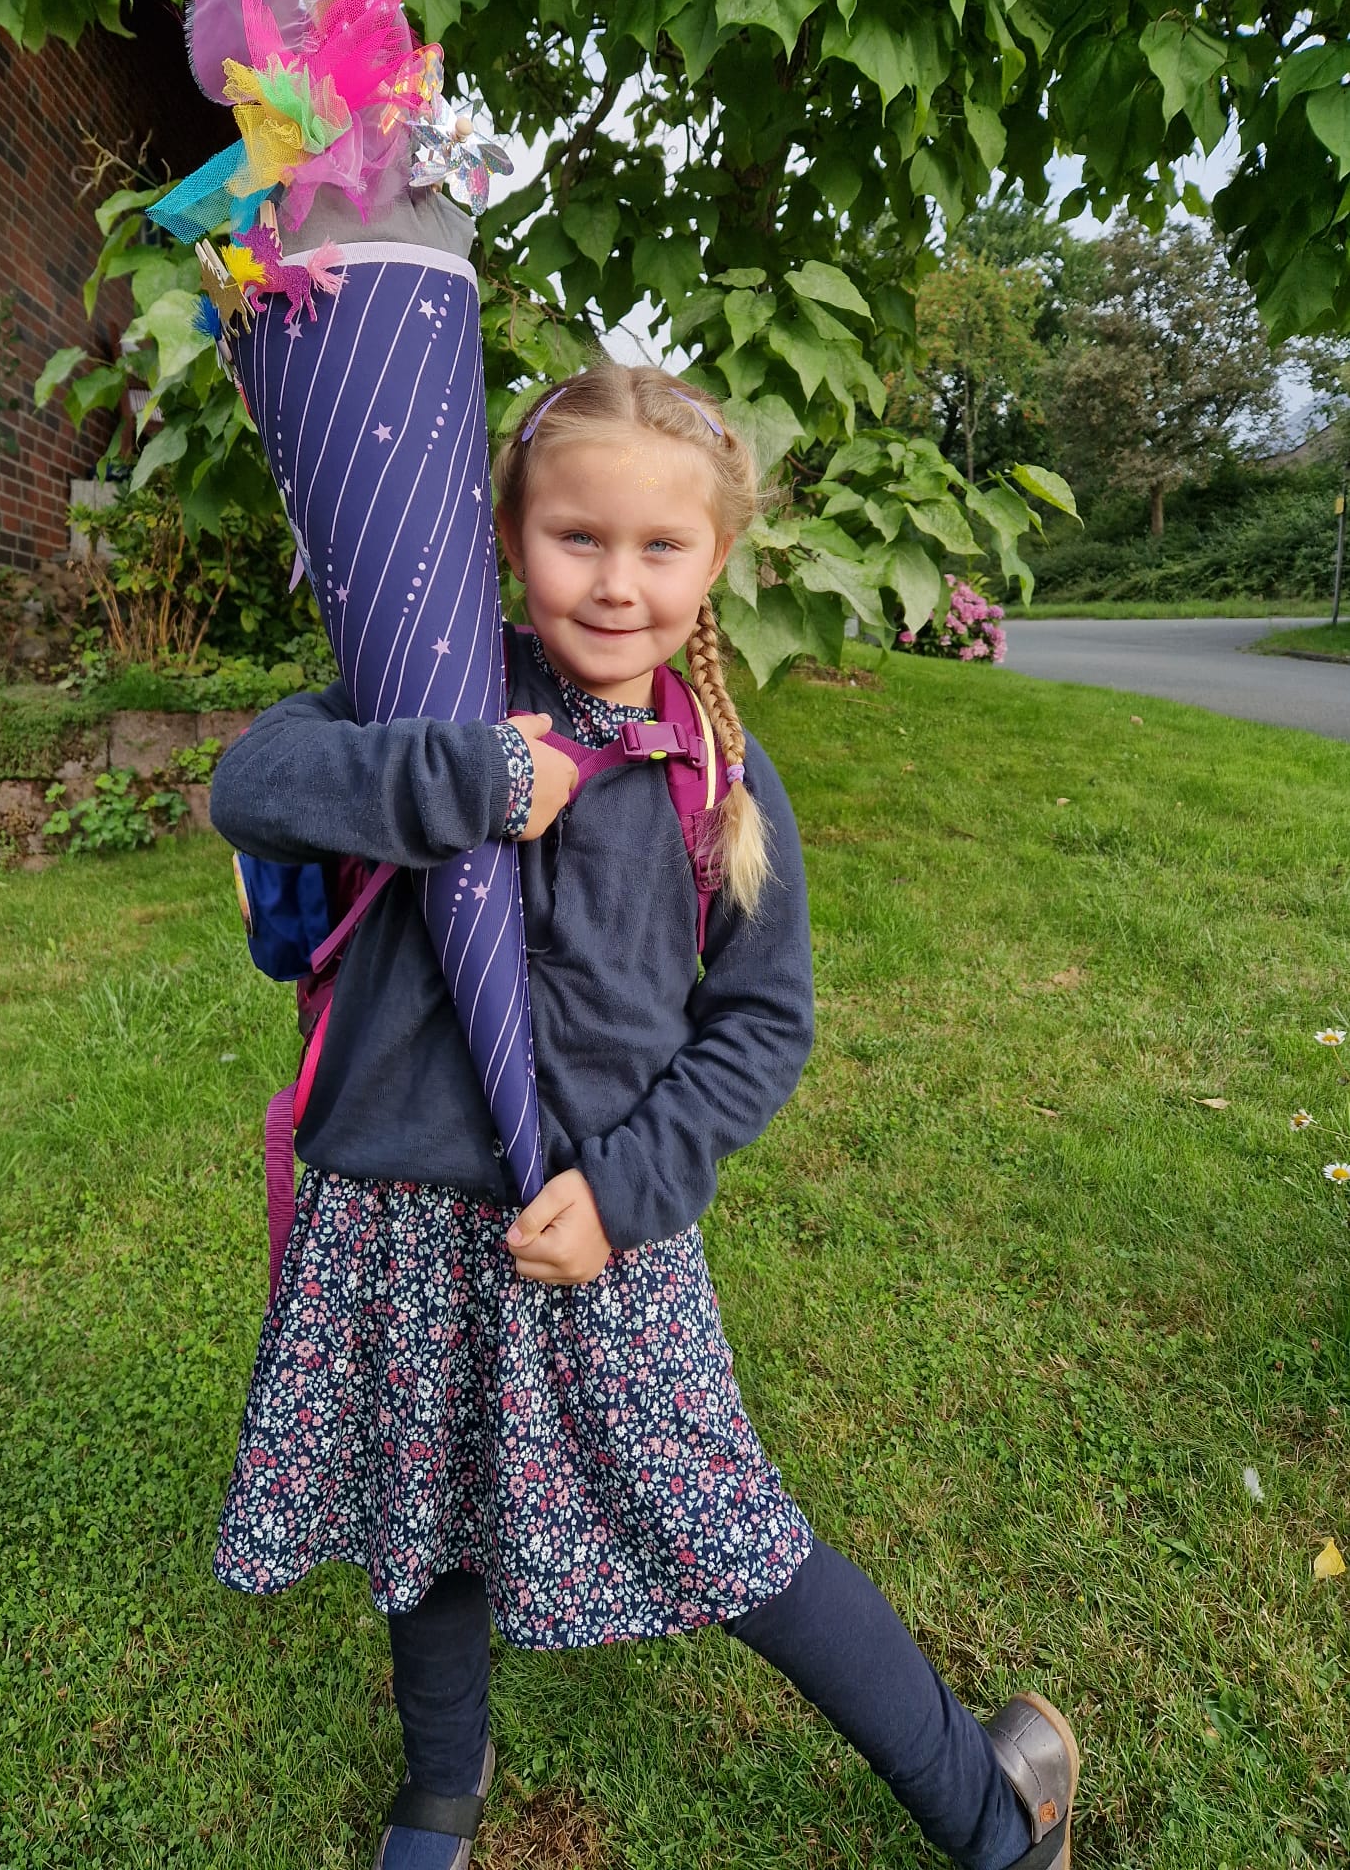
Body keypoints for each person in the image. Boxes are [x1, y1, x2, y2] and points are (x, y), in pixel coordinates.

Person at [208, 362, 1079, 1870]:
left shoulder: (721, 775)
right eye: (578, 538)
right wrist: (468, 775)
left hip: (595, 1229)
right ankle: (442, 1785)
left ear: (715, 559)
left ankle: (994, 1813)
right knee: (423, 1510)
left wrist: (627, 1193)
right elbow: (255, 783)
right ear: (510, 535)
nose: (618, 583)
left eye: (661, 546)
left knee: (725, 1530)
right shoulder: (432, 695)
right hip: (392, 1212)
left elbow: (762, 1024)